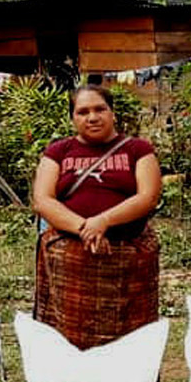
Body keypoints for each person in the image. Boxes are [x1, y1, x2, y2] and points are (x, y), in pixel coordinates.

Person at [32, 84, 162, 350]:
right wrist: (85, 228)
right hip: (70, 259)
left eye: (100, 109)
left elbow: (148, 197)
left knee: (129, 336)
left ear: (113, 113)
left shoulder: (138, 149)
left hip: (127, 259)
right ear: (73, 118)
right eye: (83, 112)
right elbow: (43, 200)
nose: (92, 117)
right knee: (68, 334)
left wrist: (104, 221)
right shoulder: (58, 151)